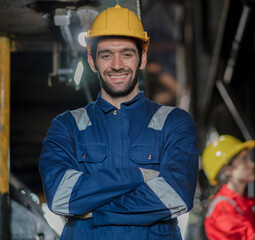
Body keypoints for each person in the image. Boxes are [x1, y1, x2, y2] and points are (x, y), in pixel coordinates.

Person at [38, 5, 199, 240]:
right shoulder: (67, 126)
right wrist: (138, 176)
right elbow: (61, 197)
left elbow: (174, 195)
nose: (116, 65)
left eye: (126, 54)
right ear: (92, 61)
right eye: (106, 55)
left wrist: (94, 211)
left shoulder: (174, 123)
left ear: (142, 58)